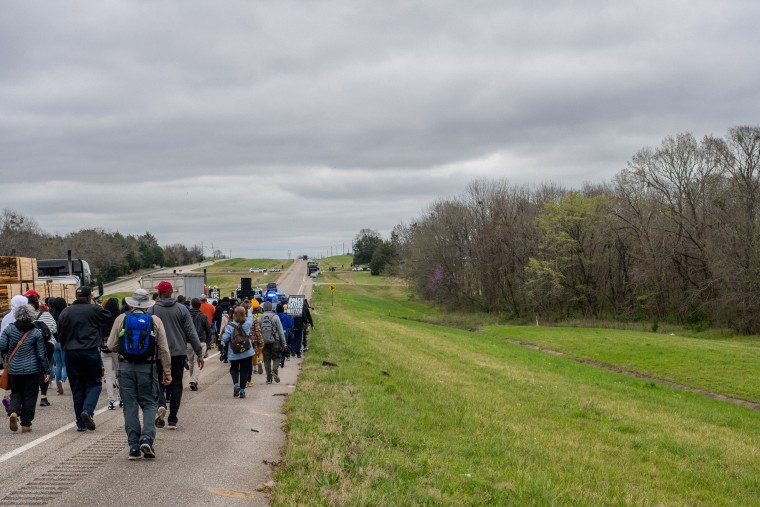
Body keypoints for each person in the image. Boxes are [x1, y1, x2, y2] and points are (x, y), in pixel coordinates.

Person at [107, 289, 172, 460]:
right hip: (148, 368)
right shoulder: (154, 320)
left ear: (131, 304)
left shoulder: (121, 319)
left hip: (125, 367)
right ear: (147, 305)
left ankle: (134, 447)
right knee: (149, 403)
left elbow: (110, 344)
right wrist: (167, 372)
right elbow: (164, 349)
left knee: (130, 406)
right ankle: (147, 439)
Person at [149, 281, 204, 430]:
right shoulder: (182, 309)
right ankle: (172, 419)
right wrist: (199, 352)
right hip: (178, 352)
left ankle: (161, 404)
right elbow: (191, 332)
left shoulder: (152, 310)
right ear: (171, 292)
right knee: (177, 384)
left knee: (158, 382)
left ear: (159, 293)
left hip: (158, 353)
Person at [56, 286, 111, 432]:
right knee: (94, 383)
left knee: (77, 386)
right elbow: (108, 316)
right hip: (89, 351)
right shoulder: (93, 309)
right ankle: (87, 410)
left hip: (71, 353)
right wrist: (95, 305)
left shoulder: (65, 311)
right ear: (89, 297)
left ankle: (80, 422)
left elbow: (59, 334)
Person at [0, 304, 50, 432]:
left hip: (14, 369)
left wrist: (6, 357)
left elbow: (2, 346)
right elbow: (41, 354)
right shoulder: (35, 332)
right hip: (32, 370)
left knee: (16, 392)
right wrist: (46, 371)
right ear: (31, 315)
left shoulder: (9, 329)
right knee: (30, 395)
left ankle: (14, 412)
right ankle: (26, 424)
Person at [24, 290, 56, 408]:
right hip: (48, 344)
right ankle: (43, 396)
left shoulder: (27, 317)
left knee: (34, 368)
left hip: (32, 344)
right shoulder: (46, 314)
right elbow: (54, 328)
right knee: (45, 368)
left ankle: (32, 393)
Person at [220, 305, 256, 398]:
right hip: (247, 352)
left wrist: (222, 342)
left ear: (234, 315)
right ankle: (243, 391)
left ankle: (236, 385)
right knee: (244, 370)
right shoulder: (247, 323)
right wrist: (249, 310)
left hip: (234, 352)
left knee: (234, 369)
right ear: (244, 314)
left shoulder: (230, 326)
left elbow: (225, 338)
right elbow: (251, 317)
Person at [1, 295, 27, 415]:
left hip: (8, 353)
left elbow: (2, 335)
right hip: (22, 350)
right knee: (22, 378)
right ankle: (17, 403)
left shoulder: (6, 317)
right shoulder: (24, 316)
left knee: (9, 375)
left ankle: (7, 397)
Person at [101, 298, 122, 410]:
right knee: (119, 373)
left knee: (108, 376)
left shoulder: (102, 318)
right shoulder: (119, 318)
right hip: (116, 348)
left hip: (104, 348)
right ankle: (121, 398)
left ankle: (111, 400)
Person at [258, 301, 286, 384]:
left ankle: (268, 378)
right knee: (276, 357)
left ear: (263, 308)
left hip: (264, 341)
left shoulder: (260, 318)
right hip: (275, 340)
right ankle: (274, 371)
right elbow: (280, 331)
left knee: (266, 359)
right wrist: (284, 342)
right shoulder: (275, 317)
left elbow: (258, 331)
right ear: (271, 308)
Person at [187, 298, 211, 391]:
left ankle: (193, 380)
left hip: (189, 341)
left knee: (191, 362)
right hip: (201, 341)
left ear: (191, 305)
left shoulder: (187, 315)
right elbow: (208, 330)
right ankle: (193, 380)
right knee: (198, 361)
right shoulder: (203, 316)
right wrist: (207, 340)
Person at [49, 298, 68, 396]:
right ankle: (63, 381)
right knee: (65, 365)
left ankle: (57, 386)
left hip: (54, 342)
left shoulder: (51, 316)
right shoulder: (66, 315)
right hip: (64, 342)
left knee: (58, 364)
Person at [276, 303, 293, 368]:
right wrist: (292, 319)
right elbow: (290, 325)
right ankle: (282, 359)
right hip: (284, 332)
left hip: (277, 333)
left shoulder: (275, 316)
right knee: (284, 345)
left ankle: (279, 358)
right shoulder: (286, 316)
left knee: (278, 346)